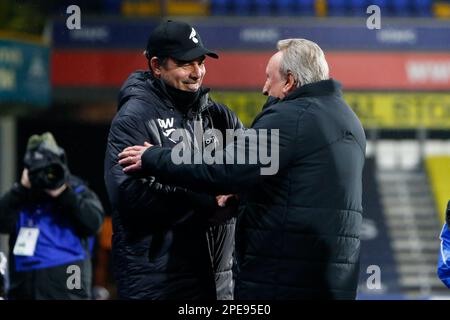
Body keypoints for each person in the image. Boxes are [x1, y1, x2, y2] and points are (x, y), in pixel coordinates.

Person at [119, 38, 367, 299]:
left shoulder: (291, 117)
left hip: (284, 280)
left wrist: (154, 158)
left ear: (290, 81)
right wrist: (246, 194)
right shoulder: (346, 118)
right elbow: (299, 183)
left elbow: (224, 169)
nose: (264, 88)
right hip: (331, 279)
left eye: (269, 78)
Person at [104, 20, 243, 300]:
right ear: (156, 66)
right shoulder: (134, 118)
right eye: (185, 63)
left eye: (201, 62)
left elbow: (254, 165)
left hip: (217, 280)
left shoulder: (217, 115)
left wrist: (234, 193)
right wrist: (205, 202)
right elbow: (130, 197)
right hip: (156, 282)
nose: (197, 72)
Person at [0, 132, 104, 299]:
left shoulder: (76, 190)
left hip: (71, 279)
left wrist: (62, 192)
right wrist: (21, 189)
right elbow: (2, 223)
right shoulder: (21, 196)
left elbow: (94, 223)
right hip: (24, 286)